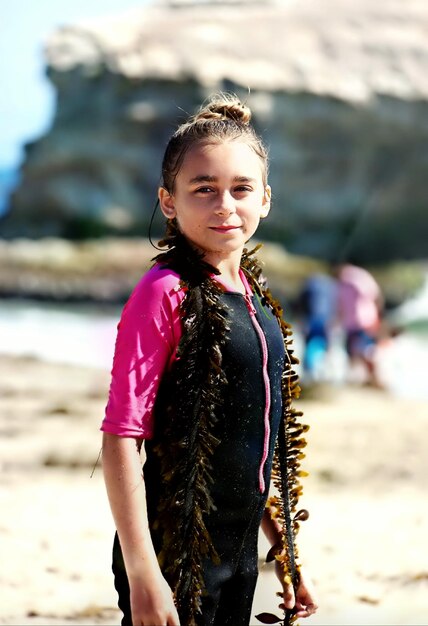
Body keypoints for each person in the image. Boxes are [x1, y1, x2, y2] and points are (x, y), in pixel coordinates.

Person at [100, 92, 317, 626]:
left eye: (241, 189)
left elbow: (257, 436)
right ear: (169, 201)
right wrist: (142, 573)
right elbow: (121, 436)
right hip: (174, 553)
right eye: (204, 189)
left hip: (239, 553)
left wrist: (284, 553)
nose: (225, 205)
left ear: (265, 198)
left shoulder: (255, 296)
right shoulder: (163, 292)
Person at [336, 261, 384, 387]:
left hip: (362, 321)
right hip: (355, 321)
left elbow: (373, 295)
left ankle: (371, 379)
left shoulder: (354, 277)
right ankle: (364, 379)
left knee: (364, 351)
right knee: (360, 351)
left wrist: (377, 316)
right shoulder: (349, 279)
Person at [298, 272, 337, 382]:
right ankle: (326, 374)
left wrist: (301, 319)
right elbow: (333, 305)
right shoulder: (330, 286)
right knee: (326, 346)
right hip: (325, 320)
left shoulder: (309, 285)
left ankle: (309, 373)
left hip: (311, 320)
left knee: (309, 345)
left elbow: (301, 303)